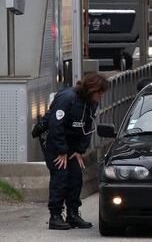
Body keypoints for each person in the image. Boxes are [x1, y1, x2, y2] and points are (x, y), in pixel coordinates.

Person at [42, 72, 109, 230]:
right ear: (92, 89)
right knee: (60, 176)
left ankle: (73, 214)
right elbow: (55, 125)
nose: (100, 96)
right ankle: (55, 215)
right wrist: (61, 151)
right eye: (99, 92)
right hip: (55, 142)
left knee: (76, 176)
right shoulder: (67, 98)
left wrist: (80, 150)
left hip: (72, 145)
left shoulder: (91, 102)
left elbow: (88, 127)